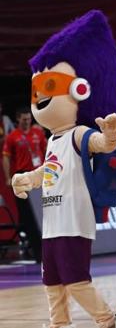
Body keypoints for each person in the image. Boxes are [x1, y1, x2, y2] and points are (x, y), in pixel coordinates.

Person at [11, 10, 116, 328]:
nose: (41, 97)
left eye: (50, 86)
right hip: (53, 224)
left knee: (77, 282)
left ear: (78, 90)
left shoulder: (78, 134)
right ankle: (59, 324)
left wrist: (110, 133)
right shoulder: (53, 139)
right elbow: (48, 172)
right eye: (37, 88)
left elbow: (102, 145)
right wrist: (28, 178)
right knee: (52, 285)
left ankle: (108, 320)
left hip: (73, 223)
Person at [2, 106, 46, 261]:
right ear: (18, 119)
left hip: (40, 175)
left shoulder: (38, 133)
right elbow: (6, 157)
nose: (27, 122)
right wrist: (8, 177)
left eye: (29, 119)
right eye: (24, 119)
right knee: (28, 217)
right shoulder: (12, 136)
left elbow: (46, 151)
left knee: (45, 213)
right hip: (23, 176)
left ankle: (51, 249)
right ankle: (37, 252)